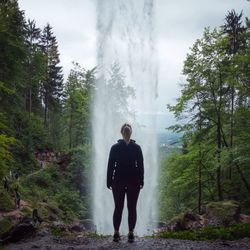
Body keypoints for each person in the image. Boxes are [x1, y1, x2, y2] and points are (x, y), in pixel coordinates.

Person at [107, 123, 144, 243]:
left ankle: (124, 233)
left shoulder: (116, 147)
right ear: (125, 132)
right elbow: (111, 166)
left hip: (123, 181)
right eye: (126, 130)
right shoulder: (135, 148)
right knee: (123, 207)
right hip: (127, 181)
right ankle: (123, 232)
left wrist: (109, 181)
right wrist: (141, 180)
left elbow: (111, 166)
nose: (127, 132)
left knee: (126, 207)